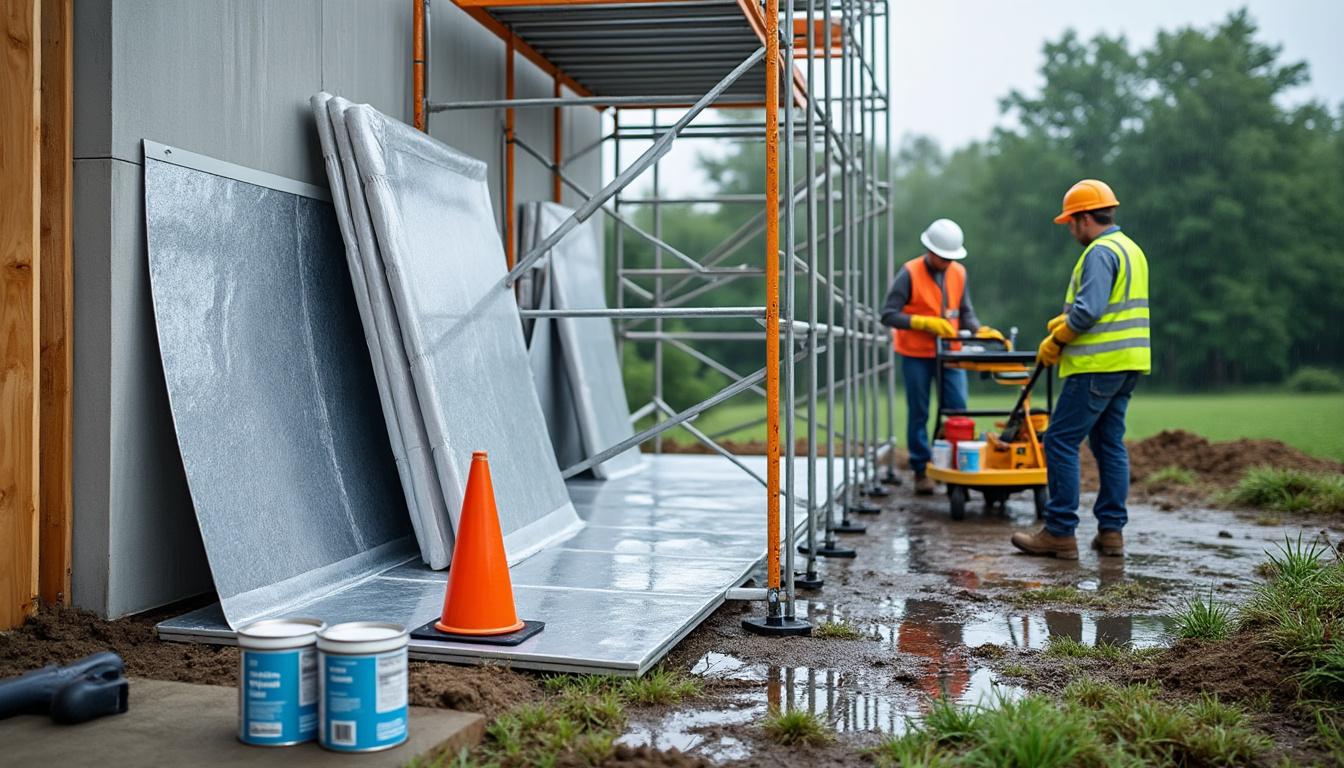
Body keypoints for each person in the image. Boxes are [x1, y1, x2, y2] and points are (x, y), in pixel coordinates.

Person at [1011, 179, 1150, 559]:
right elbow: (1106, 307)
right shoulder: (1131, 249)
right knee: (1108, 444)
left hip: (1095, 365)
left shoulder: (1100, 252)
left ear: (1085, 218)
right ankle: (1111, 533)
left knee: (1059, 440)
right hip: (1127, 363)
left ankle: (1059, 531)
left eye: (1071, 222)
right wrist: (1063, 320)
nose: (1070, 229)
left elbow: (1089, 311)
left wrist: (1058, 340)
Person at [880, 218, 1003, 495]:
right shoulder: (909, 273)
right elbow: (888, 314)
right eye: (943, 257)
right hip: (916, 355)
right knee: (919, 413)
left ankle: (956, 467)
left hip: (950, 353)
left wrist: (978, 330)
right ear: (930, 251)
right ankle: (922, 470)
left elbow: (965, 311)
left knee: (957, 409)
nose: (947, 262)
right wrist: (923, 323)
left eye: (951, 258)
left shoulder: (959, 272)